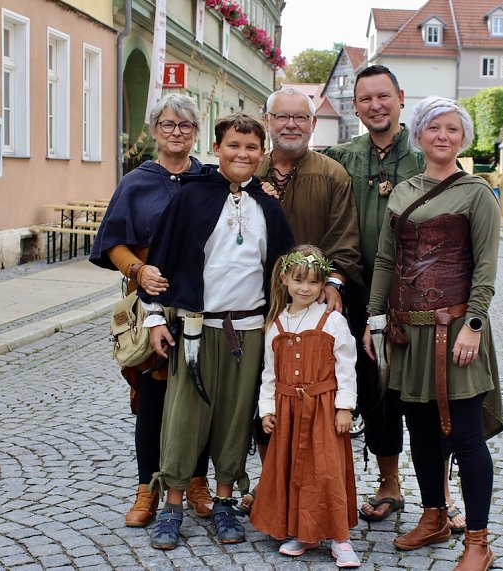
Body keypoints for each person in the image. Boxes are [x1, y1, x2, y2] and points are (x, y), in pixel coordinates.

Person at [139, 113, 295, 549]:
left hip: (249, 329)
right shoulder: (191, 199)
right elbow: (160, 260)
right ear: (217, 149)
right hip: (196, 328)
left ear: (261, 154)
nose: (241, 154)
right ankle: (172, 504)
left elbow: (286, 266)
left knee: (232, 420)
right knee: (184, 420)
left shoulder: (268, 204)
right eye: (233, 146)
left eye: (250, 148)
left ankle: (224, 501)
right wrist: (154, 318)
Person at [364, 96, 503, 571]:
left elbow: (485, 269)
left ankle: (479, 542)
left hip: (456, 332)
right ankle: (434, 517)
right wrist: (375, 318)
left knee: (465, 437)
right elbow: (386, 261)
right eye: (434, 128)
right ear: (419, 134)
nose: (442, 136)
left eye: (452, 129)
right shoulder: (402, 192)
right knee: (421, 433)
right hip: (409, 334)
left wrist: (475, 326)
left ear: (462, 138)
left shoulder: (477, 193)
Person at [89, 93, 214, 528]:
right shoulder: (136, 182)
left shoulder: (210, 180)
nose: (176, 132)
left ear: (196, 132)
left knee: (200, 394)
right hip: (151, 306)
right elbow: (110, 244)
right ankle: (147, 489)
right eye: (168, 124)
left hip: (202, 305)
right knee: (153, 400)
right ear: (155, 130)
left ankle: (198, 482)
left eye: (185, 126)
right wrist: (138, 271)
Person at [244, 86, 363, 513]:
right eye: (283, 117)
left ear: (312, 124)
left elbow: (345, 237)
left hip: (309, 308)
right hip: (252, 301)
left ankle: (311, 484)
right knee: (261, 392)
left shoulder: (331, 174)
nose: (291, 125)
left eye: (300, 118)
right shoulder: (246, 168)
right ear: (268, 120)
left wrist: (332, 282)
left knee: (309, 395)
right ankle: (268, 480)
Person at [322, 64, 425, 524]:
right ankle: (389, 484)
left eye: (383, 97)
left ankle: (439, 494)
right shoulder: (342, 157)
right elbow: (287, 170)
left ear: (400, 97)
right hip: (358, 294)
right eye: (365, 99)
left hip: (419, 296)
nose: (375, 106)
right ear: (355, 105)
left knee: (425, 393)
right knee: (374, 389)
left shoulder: (426, 153)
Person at [250, 245, 360, 568]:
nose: (305, 289)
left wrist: (344, 408)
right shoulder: (277, 325)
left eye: (313, 282)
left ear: (322, 283)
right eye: (299, 281)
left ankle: (340, 539)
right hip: (289, 412)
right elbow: (268, 373)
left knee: (326, 472)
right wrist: (267, 409)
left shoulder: (332, 321)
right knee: (295, 473)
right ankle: (303, 530)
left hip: (323, 411)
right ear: (285, 279)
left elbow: (346, 367)